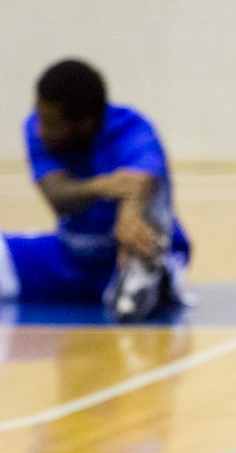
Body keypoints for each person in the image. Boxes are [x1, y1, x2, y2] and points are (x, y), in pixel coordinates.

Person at [0, 59, 191, 321]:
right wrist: (100, 186)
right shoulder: (36, 129)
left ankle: (150, 275)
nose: (41, 130)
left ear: (85, 123)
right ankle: (131, 286)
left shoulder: (132, 128)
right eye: (40, 116)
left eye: (52, 124)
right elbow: (58, 196)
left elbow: (142, 176)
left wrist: (129, 213)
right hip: (71, 255)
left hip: (125, 252)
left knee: (148, 206)